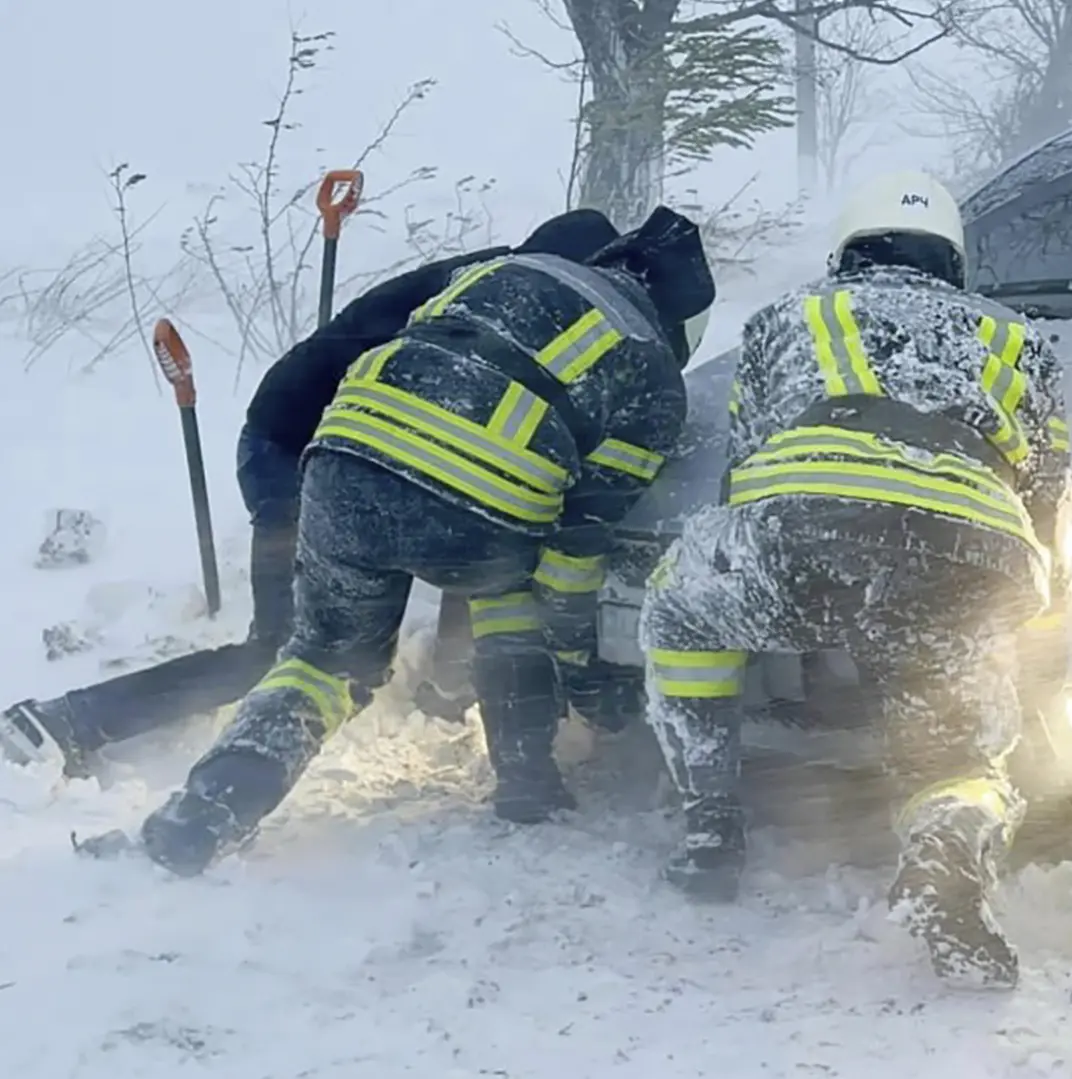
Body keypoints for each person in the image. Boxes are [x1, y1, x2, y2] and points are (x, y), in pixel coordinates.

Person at [133, 205, 716, 877]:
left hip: (340, 468)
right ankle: (526, 782)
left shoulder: (496, 271)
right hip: (474, 509)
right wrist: (581, 663)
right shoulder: (650, 370)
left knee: (324, 661)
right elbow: (577, 546)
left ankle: (207, 809)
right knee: (510, 590)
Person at [637, 170, 1072, 989]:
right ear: (952, 259)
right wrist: (1037, 634)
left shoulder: (790, 316)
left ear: (847, 251)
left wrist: (788, 582)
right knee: (962, 751)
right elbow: (1051, 501)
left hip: (807, 529)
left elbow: (746, 468)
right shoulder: (1020, 337)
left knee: (681, 608)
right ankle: (947, 851)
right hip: (967, 553)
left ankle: (711, 822)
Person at [0, 211, 626, 777]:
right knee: (280, 650)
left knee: (477, 524)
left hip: (355, 451)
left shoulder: (497, 285)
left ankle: (444, 690)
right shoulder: (505, 304)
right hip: (296, 453)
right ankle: (67, 719)